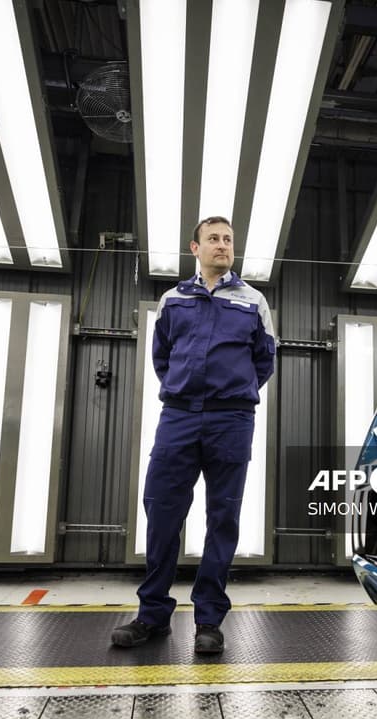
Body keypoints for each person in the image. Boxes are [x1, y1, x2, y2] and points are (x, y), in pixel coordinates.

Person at [112, 216, 276, 655]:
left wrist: (231, 394)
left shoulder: (253, 300)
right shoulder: (172, 299)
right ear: (195, 248)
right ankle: (152, 615)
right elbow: (161, 357)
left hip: (232, 419)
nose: (222, 245)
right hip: (179, 417)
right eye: (214, 239)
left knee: (222, 518)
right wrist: (188, 391)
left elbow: (264, 361)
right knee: (162, 513)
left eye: (228, 239)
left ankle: (209, 620)